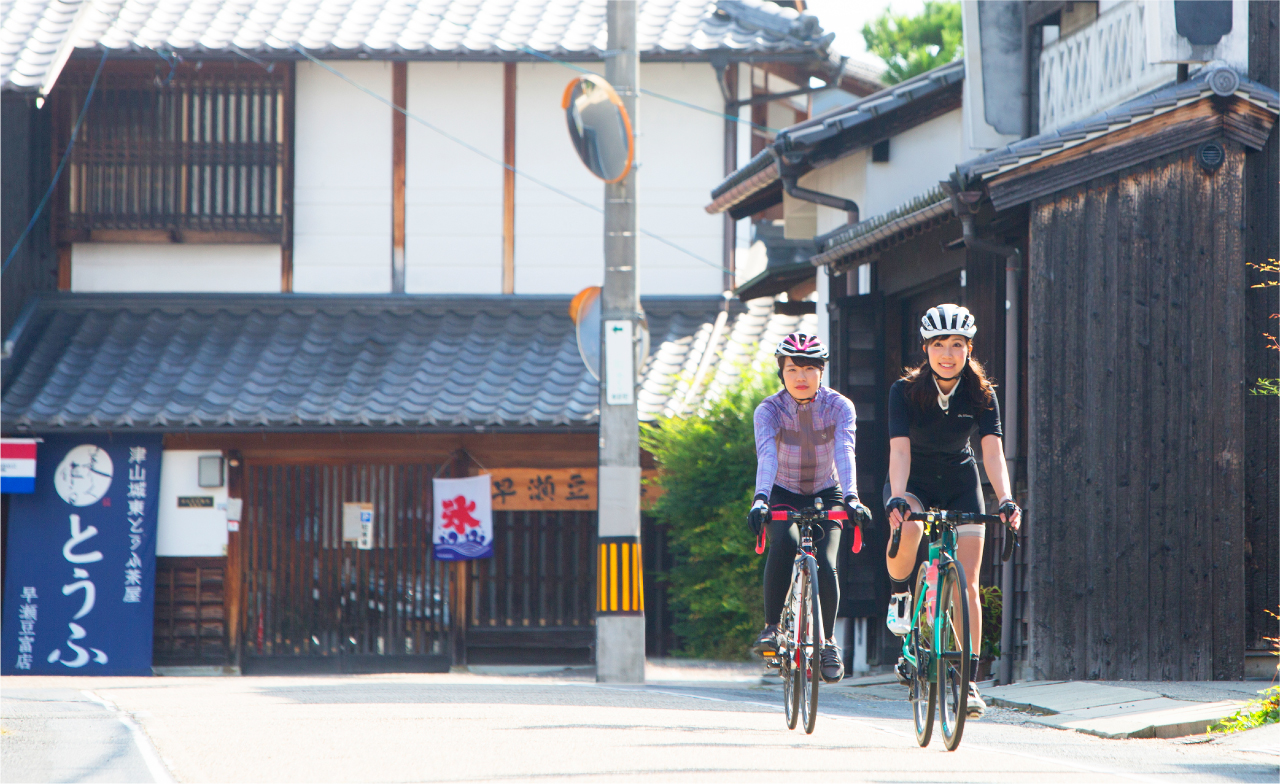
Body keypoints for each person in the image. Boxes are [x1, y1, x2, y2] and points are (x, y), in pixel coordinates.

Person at [882, 304, 1022, 718]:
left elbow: (992, 450)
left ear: (968, 348)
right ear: (926, 349)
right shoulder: (904, 391)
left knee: (969, 584)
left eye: (956, 345)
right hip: (915, 478)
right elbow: (899, 449)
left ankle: (969, 680)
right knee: (907, 527)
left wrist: (1006, 498)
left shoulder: (981, 392)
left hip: (961, 481)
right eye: (939, 344)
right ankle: (901, 594)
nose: (947, 353)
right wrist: (898, 496)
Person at [747, 332, 873, 683]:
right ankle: (772, 627)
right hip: (782, 490)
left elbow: (845, 453)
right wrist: (760, 498)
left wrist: (852, 497)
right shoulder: (768, 410)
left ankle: (827, 642)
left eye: (809, 369)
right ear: (781, 373)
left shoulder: (839, 406)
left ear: (821, 371)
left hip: (828, 491)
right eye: (792, 369)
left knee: (829, 562)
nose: (800, 377)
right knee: (785, 544)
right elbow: (767, 456)